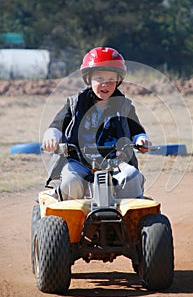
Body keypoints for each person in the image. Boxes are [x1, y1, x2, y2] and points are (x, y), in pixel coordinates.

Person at [42, 46, 151, 200]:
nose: (105, 85)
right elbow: (57, 125)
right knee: (70, 180)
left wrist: (141, 139)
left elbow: (136, 130)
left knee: (132, 176)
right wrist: (51, 135)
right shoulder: (75, 104)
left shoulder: (124, 106)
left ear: (118, 81)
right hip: (79, 161)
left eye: (111, 80)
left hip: (116, 162)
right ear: (89, 79)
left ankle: (130, 219)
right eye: (99, 79)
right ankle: (72, 218)